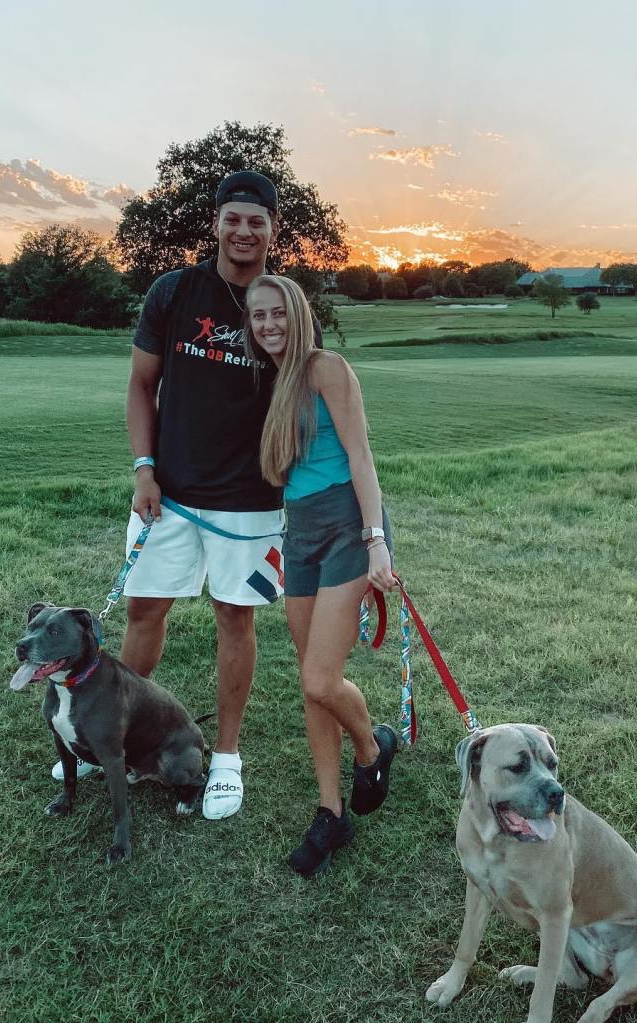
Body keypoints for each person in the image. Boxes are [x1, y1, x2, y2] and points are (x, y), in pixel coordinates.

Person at [53, 171, 301, 821]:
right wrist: (143, 469)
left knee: (235, 618)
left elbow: (305, 405)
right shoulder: (175, 292)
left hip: (251, 503)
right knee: (143, 614)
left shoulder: (285, 303)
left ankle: (226, 758)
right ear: (216, 223)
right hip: (169, 493)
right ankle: (121, 739)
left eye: (258, 220)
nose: (244, 230)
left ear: (274, 229)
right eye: (233, 218)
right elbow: (140, 386)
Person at [244, 274, 399, 877]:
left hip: (347, 525)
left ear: (297, 313)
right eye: (257, 317)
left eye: (276, 313)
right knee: (312, 682)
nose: (268, 325)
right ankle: (331, 813)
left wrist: (376, 540)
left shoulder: (326, 368)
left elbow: (361, 456)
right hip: (300, 529)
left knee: (319, 677)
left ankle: (371, 747)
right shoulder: (271, 381)